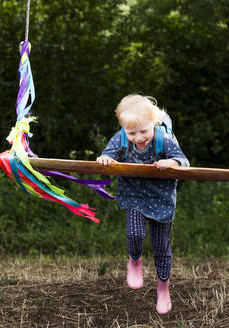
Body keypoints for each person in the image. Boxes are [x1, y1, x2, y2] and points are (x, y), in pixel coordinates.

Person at [97, 94, 189, 314]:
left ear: (154, 123)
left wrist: (171, 162)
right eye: (131, 133)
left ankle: (163, 289)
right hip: (134, 195)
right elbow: (106, 155)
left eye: (143, 131)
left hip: (161, 199)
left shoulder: (163, 139)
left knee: (161, 247)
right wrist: (106, 159)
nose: (138, 138)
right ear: (123, 128)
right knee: (135, 234)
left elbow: (183, 161)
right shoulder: (120, 138)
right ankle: (135, 261)